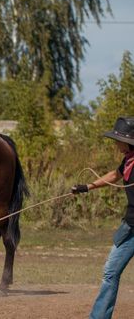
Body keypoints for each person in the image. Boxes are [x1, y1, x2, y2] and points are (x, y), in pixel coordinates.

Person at [72, 116, 134, 319]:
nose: (116, 143)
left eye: (118, 139)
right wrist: (88, 187)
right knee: (110, 272)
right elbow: (114, 175)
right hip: (130, 228)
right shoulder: (128, 160)